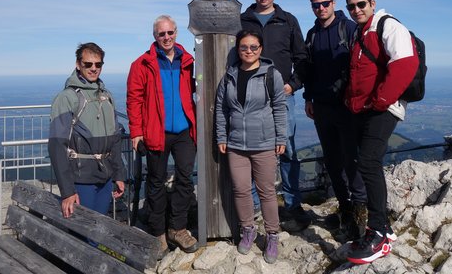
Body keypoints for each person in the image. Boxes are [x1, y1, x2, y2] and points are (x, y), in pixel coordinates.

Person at [343, 0, 418, 265]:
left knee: (368, 162)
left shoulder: (388, 25)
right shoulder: (361, 31)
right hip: (368, 108)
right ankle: (381, 227)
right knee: (367, 163)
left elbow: (405, 63)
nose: (356, 10)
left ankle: (379, 234)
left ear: (372, 3)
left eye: (360, 4)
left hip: (384, 108)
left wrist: (381, 99)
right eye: (351, 6)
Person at [240, 0, 311, 230]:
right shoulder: (242, 20)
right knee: (252, 149)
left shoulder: (287, 20)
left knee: (289, 149)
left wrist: (292, 85)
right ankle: (256, 206)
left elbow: (301, 57)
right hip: (250, 98)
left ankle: (292, 204)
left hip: (282, 96)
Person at [126, 15, 198, 257]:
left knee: (185, 179)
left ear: (176, 33)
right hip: (156, 131)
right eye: (161, 34)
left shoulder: (188, 61)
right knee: (156, 181)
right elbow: (134, 100)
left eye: (170, 33)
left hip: (185, 131)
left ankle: (178, 228)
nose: (166, 37)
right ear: (154, 36)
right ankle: (158, 232)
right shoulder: (142, 63)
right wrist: (136, 132)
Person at [215, 29, 287, 264]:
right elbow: (221, 110)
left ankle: (272, 235)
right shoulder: (229, 76)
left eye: (253, 47)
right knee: (241, 189)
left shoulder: (271, 74)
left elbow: (279, 107)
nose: (248, 51)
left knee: (266, 191)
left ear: (261, 49)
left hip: (264, 142)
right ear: (238, 49)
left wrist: (280, 138)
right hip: (236, 144)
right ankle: (248, 230)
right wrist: (222, 137)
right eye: (244, 47)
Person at [302, 0, 367, 239]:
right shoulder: (312, 34)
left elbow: (357, 68)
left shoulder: (348, 29)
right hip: (321, 108)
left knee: (352, 162)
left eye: (325, 4)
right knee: (333, 163)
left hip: (346, 108)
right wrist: (308, 97)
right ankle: (346, 212)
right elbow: (309, 69)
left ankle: (361, 221)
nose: (320, 9)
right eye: (316, 5)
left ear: (334, 3)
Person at [48, 42, 125, 223]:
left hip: (104, 178)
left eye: (98, 64)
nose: (93, 69)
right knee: (81, 232)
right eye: (88, 64)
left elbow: (114, 140)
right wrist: (67, 191)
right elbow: (57, 146)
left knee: (97, 230)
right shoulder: (67, 98)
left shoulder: (106, 97)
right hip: (81, 180)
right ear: (78, 64)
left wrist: (119, 174)